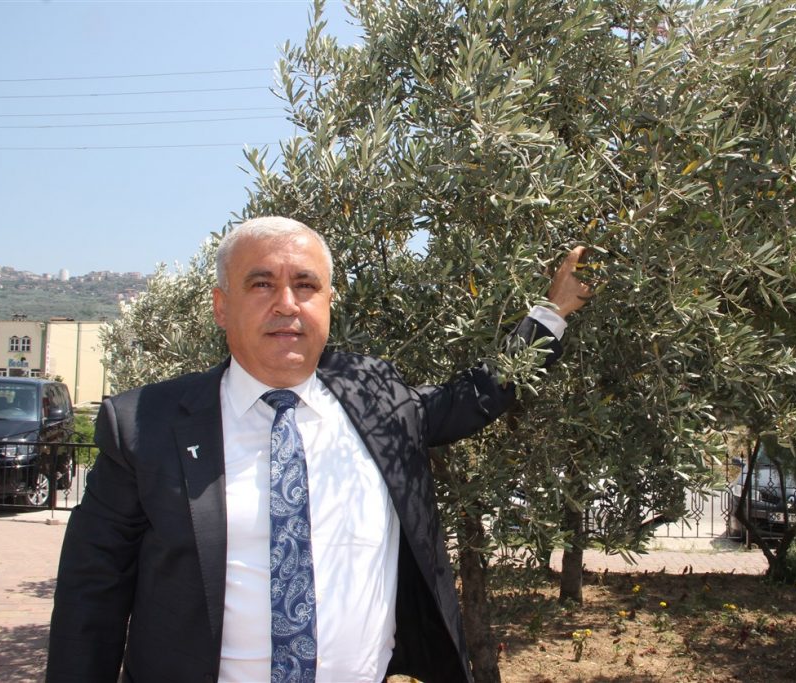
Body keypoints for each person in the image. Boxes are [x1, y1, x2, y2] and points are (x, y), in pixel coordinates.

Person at [46, 216, 592, 683]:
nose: (286, 304)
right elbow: (90, 597)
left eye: (305, 285)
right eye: (261, 284)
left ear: (328, 303)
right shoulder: (145, 425)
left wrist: (554, 310)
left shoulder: (376, 395)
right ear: (221, 306)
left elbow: (473, 396)